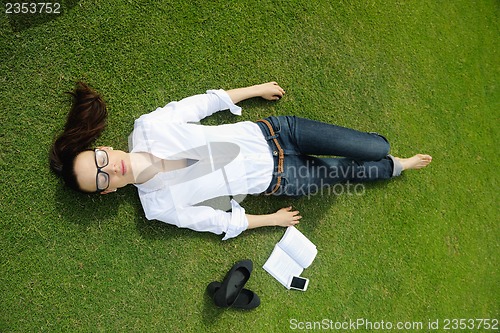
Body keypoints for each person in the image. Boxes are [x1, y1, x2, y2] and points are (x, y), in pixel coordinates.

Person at [50, 81, 432, 240]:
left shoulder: (149, 127)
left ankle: (385, 156)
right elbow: (217, 221)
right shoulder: (158, 206)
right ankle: (397, 166)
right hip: (284, 179)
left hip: (278, 132)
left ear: (106, 148)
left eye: (98, 159)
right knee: (356, 169)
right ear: (107, 191)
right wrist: (273, 219)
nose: (107, 168)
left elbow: (204, 103)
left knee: (373, 147)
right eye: (100, 179)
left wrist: (255, 89)